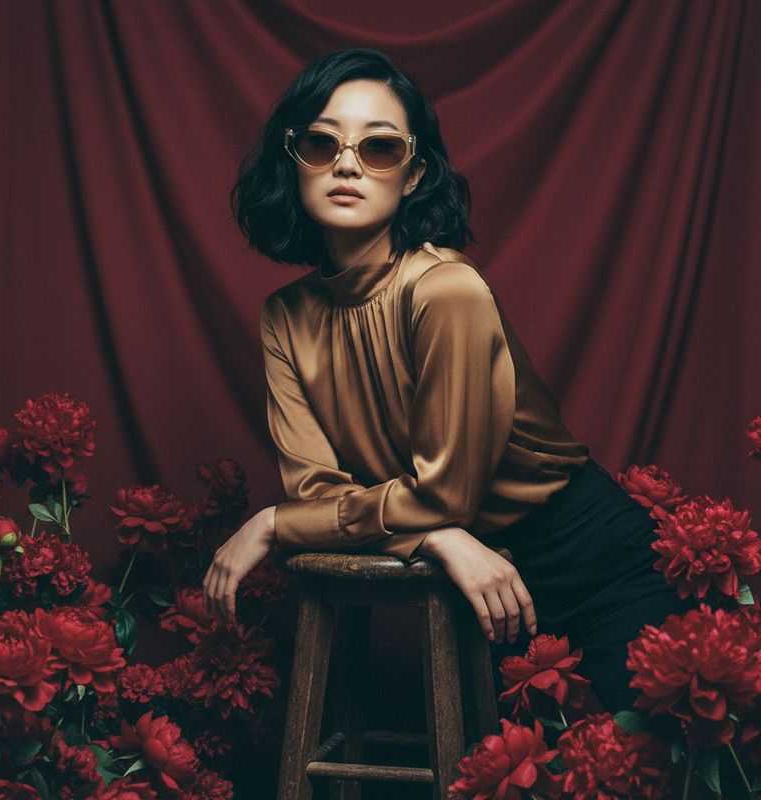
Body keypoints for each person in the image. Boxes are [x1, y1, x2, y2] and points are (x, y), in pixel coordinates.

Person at [203, 48, 691, 711]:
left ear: (413, 175)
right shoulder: (285, 318)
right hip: (473, 572)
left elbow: (442, 495)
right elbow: (317, 488)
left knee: (645, 765)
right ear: (293, 159)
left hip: (594, 558)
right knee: (515, 776)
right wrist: (435, 536)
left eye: (379, 148)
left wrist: (276, 524)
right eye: (322, 143)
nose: (347, 164)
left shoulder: (446, 289)